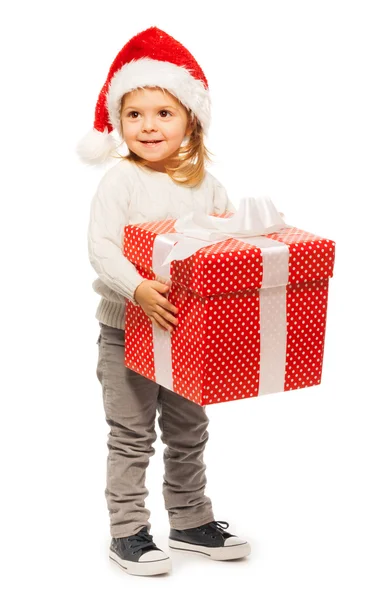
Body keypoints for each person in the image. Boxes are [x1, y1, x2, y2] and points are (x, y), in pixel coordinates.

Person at [77, 26, 251, 577]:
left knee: (187, 429)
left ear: (190, 120)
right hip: (128, 328)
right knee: (131, 434)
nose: (148, 125)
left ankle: (191, 520)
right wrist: (139, 288)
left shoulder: (208, 185)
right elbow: (102, 249)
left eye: (163, 112)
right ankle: (127, 532)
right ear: (119, 123)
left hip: (187, 332)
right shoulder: (120, 182)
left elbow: (224, 244)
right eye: (134, 115)